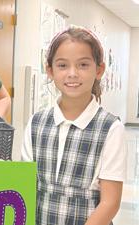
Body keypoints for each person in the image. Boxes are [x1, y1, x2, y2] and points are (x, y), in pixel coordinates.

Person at [22, 26, 126, 225]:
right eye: (62, 65)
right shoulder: (36, 123)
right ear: (50, 70)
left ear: (99, 70)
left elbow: (110, 203)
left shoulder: (111, 129)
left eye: (83, 65)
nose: (72, 73)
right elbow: (26, 187)